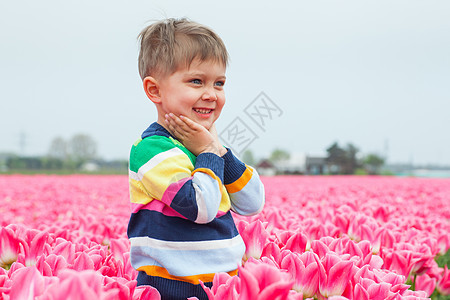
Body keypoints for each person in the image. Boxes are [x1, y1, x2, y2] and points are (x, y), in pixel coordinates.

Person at [127, 18, 265, 300]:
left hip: (225, 285)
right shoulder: (151, 151)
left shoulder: (208, 149)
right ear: (155, 90)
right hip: (170, 288)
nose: (211, 94)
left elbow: (252, 203)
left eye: (219, 83)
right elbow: (200, 207)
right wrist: (209, 152)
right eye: (196, 81)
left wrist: (218, 149)